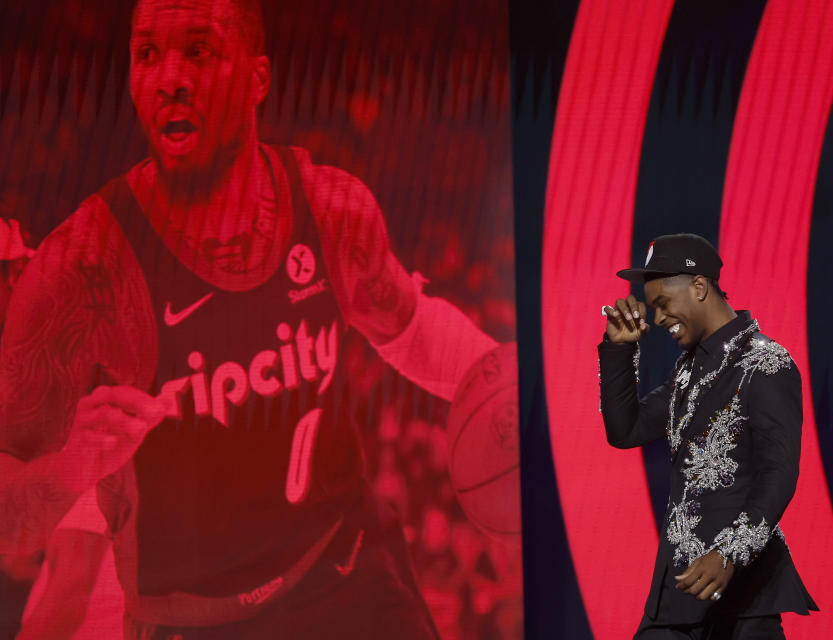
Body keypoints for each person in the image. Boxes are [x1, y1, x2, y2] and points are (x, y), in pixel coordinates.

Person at [0, 0, 501, 637]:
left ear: (258, 78)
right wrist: (70, 467)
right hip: (197, 621)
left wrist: (513, 389)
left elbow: (409, 326)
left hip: (349, 569)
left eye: (199, 51)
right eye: (147, 54)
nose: (169, 77)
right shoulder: (82, 272)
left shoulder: (328, 207)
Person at [598, 233, 817, 639]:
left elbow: (779, 473)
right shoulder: (687, 372)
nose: (658, 318)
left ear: (699, 287)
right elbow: (625, 431)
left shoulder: (765, 364)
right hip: (679, 591)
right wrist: (619, 350)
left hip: (743, 597)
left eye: (663, 303)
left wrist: (728, 555)